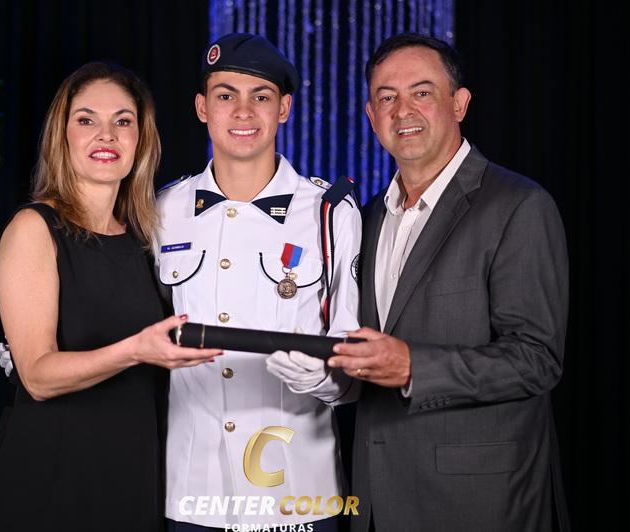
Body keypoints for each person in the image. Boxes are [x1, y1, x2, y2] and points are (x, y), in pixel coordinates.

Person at [323, 33, 571, 532]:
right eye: (386, 97)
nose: (403, 110)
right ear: (370, 115)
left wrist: (414, 366)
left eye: (422, 92)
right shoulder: (364, 219)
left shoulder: (518, 205)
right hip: (375, 500)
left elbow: (537, 359)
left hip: (480, 504)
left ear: (459, 103)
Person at [0, 62, 220, 532]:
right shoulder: (34, 228)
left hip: (132, 476)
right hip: (52, 478)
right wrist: (136, 350)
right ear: (62, 136)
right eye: (86, 120)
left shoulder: (143, 239)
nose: (106, 135)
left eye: (122, 121)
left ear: (140, 140)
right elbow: (37, 376)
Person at [155, 33, 361, 531]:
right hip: (194, 489)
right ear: (202, 108)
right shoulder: (163, 208)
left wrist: (321, 377)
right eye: (226, 95)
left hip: (298, 491)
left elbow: (354, 355)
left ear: (284, 108)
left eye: (261, 96)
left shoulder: (330, 213)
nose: (243, 112)